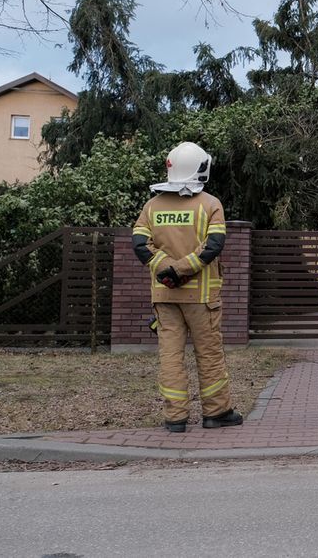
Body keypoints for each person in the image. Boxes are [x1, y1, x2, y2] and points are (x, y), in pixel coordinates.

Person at [132, 142, 243, 433]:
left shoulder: (152, 206)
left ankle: (175, 418)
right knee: (209, 355)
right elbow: (214, 246)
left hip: (164, 296)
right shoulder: (210, 204)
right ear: (201, 169)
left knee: (170, 356)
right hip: (202, 298)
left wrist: (167, 269)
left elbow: (140, 245)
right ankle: (216, 413)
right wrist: (182, 270)